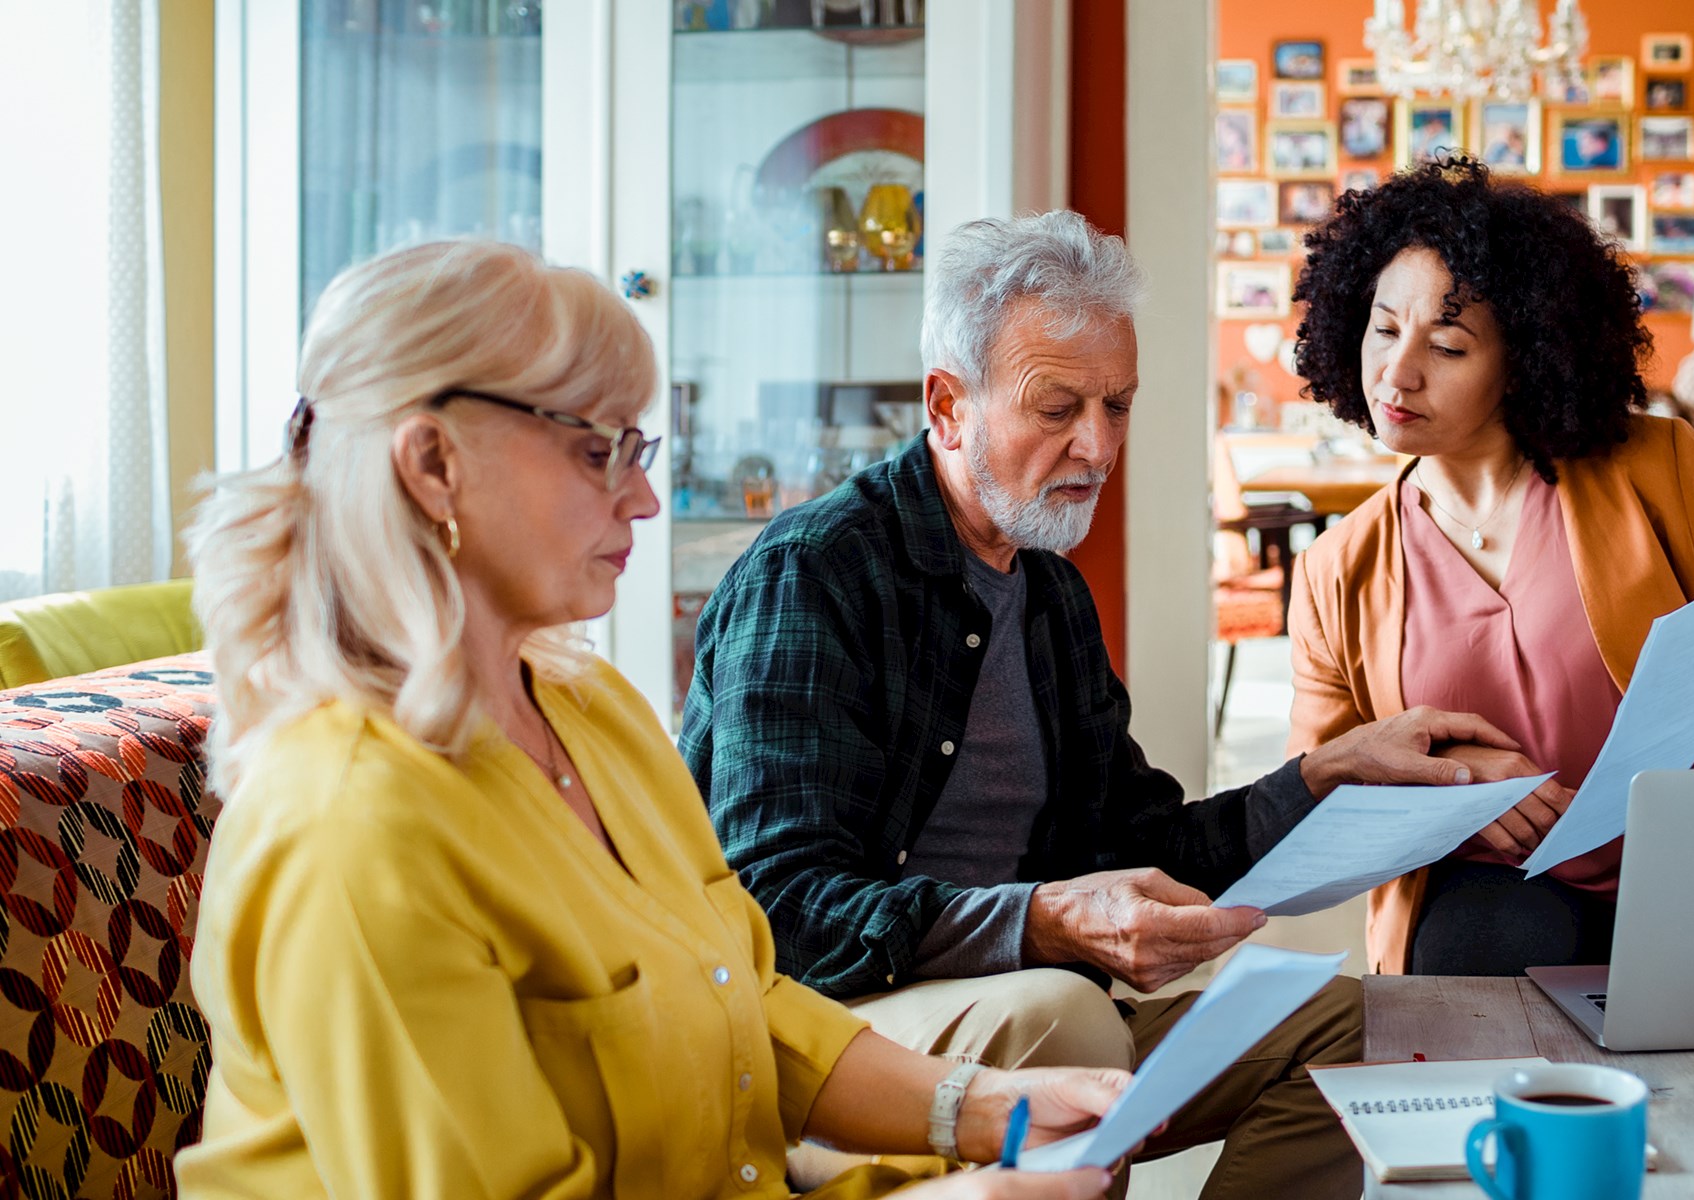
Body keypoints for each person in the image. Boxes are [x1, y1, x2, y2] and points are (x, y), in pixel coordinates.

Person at [175, 240, 1129, 1200]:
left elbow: (745, 1003)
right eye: (600, 452)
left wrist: (981, 1109)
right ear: (433, 465)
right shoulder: (352, 830)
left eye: (642, 450)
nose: (644, 496)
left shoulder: (593, 715)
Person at [683, 211, 1515, 1200]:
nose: (1095, 444)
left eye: (1116, 405)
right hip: (835, 1038)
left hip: (1028, 1008)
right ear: (946, 406)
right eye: (1055, 407)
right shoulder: (813, 575)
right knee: (1063, 1013)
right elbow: (778, 909)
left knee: (1373, 1032)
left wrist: (1328, 774)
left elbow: (1140, 837)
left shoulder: (1047, 590)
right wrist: (1040, 922)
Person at [1286, 157, 1694, 978]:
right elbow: (1321, 804)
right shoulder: (1337, 569)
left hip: (1687, 864)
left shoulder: (1661, 468)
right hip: (1492, 897)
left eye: (1447, 343)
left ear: (1526, 359)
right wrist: (1451, 794)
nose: (1397, 373)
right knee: (1484, 945)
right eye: (1383, 327)